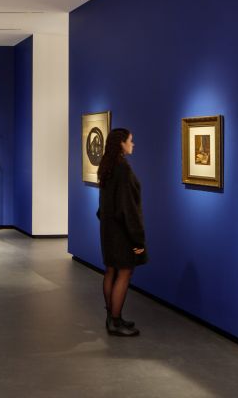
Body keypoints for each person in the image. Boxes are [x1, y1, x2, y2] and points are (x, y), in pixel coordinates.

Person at [97, 128, 147, 337]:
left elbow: (104, 204)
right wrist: (138, 239)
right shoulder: (123, 169)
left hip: (108, 228)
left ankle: (111, 317)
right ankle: (115, 322)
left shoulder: (107, 166)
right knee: (125, 272)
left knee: (111, 271)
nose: (133, 144)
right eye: (130, 141)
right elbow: (128, 208)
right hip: (121, 231)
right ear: (121, 144)